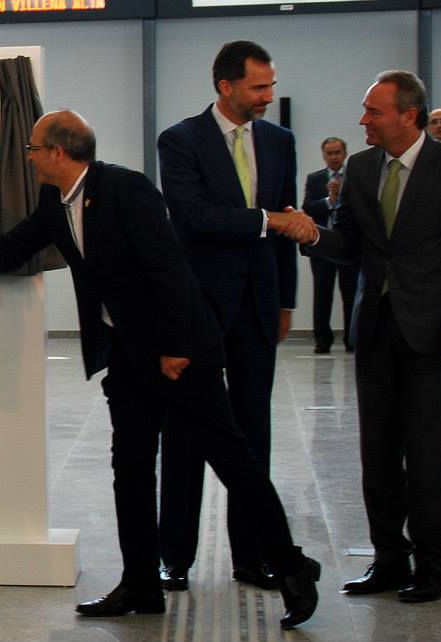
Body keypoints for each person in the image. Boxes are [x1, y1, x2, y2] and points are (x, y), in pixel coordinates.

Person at [0, 110, 320, 630]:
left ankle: (293, 566)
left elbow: (168, 267)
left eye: (33, 148)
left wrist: (174, 346)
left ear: (58, 152)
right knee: (131, 468)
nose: (28, 157)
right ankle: (141, 584)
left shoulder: (126, 188)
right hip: (128, 354)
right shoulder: (58, 202)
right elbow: (11, 250)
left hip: (181, 351)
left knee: (232, 460)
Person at [290, 70, 441, 603]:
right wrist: (311, 233)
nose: (363, 120)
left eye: (373, 111)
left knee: (426, 456)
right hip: (376, 331)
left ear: (408, 116)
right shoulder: (361, 169)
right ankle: (388, 560)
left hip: (434, 334)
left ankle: (431, 570)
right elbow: (353, 245)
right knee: (377, 455)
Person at [155, 40, 299, 592]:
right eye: (259, 86)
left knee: (252, 434)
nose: (268, 95)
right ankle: (176, 555)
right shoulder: (181, 140)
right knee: (187, 431)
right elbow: (192, 218)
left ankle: (252, 556)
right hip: (197, 308)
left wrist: (286, 300)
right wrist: (270, 221)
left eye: (270, 85)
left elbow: (286, 226)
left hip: (259, 308)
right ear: (226, 86)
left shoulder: (280, 141)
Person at [302, 137, 358, 353]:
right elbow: (307, 208)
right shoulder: (315, 179)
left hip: (348, 244)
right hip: (323, 245)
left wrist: (342, 195)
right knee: (322, 294)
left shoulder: (354, 177)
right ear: (324, 155)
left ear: (344, 154)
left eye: (337, 152)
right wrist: (329, 200)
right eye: (329, 153)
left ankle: (351, 339)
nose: (334, 157)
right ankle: (322, 340)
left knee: (351, 293)